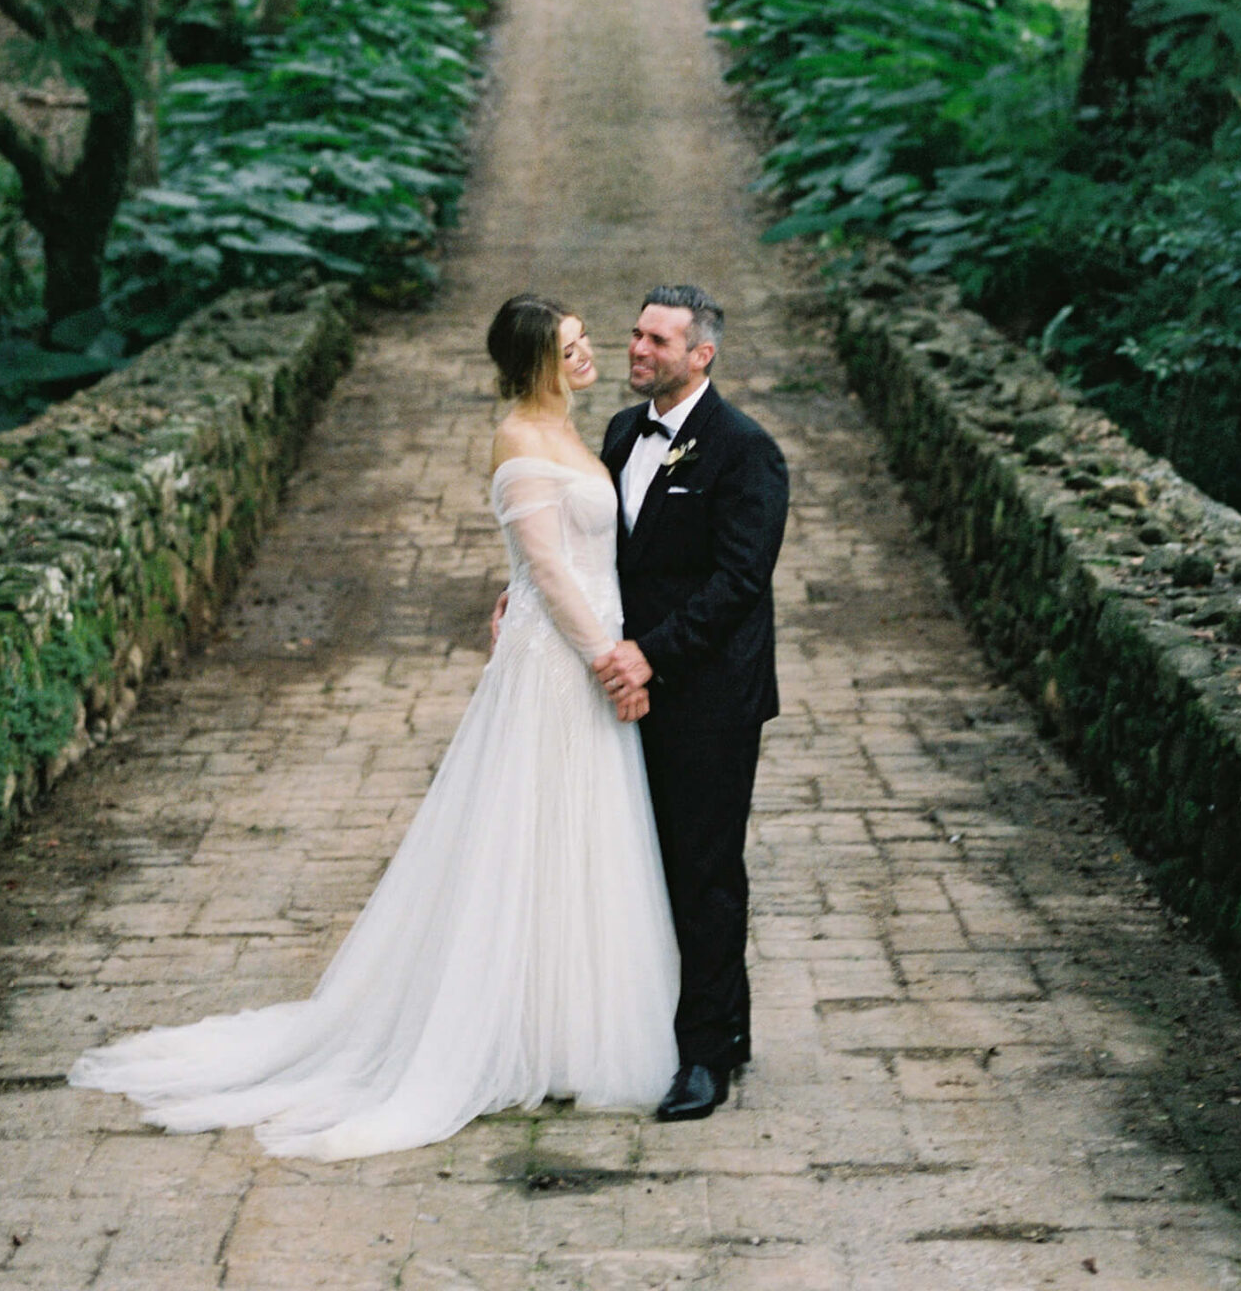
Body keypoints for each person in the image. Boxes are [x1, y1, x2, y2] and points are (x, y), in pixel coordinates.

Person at [66, 296, 678, 1159]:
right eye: (571, 347)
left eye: (586, 342)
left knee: (583, 839)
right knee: (525, 835)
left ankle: (569, 1022)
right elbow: (545, 563)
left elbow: (571, 557)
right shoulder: (517, 440)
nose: (589, 354)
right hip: (558, 666)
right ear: (537, 361)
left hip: (580, 646)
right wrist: (608, 659)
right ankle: (498, 1027)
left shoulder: (591, 433)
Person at [594, 284, 790, 1123]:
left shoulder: (746, 451)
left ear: (700, 355)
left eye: (657, 342)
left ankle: (706, 1057)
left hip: (708, 697)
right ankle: (720, 1026)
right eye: (635, 334)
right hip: (625, 692)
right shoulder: (617, 433)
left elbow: (739, 583)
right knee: (645, 862)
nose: (638, 350)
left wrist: (652, 653)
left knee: (703, 872)